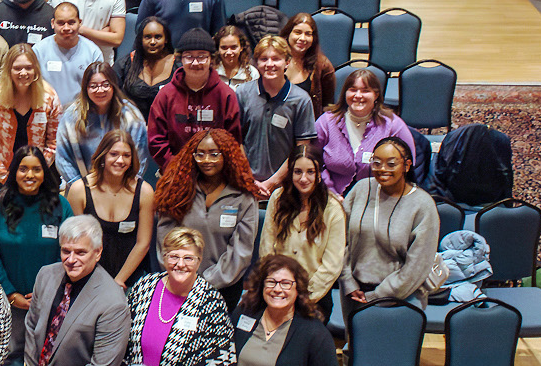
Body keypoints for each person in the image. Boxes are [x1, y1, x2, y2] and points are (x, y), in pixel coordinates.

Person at [20, 215, 131, 366]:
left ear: (97, 253)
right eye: (66, 251)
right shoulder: (45, 275)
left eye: (81, 252)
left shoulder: (113, 302)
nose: (71, 260)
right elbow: (31, 328)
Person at [123, 226, 235, 366]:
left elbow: (216, 362)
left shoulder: (211, 302)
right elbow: (123, 339)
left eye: (188, 258)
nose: (180, 264)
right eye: (174, 256)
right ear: (164, 258)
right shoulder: (144, 287)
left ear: (199, 261)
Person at [231, 256, 342, 366]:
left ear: (298, 289)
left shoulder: (314, 333)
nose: (277, 289)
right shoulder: (243, 315)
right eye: (271, 282)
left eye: (286, 283)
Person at [154, 129, 264, 295]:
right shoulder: (177, 190)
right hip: (178, 282)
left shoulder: (244, 197)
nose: (206, 160)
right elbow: (165, 241)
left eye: (214, 154)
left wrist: (205, 284)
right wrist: (182, 275)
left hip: (224, 288)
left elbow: (240, 252)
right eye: (200, 154)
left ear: (227, 156)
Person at [340, 138, 440, 310]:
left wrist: (377, 296)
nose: (383, 169)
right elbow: (339, 241)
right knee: (357, 338)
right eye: (377, 163)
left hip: (402, 299)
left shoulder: (423, 205)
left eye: (391, 164)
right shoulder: (361, 189)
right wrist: (348, 281)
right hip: (354, 294)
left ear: (407, 166)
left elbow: (417, 265)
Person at [0, 146, 66, 337]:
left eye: (37, 169)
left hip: (52, 299)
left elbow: (69, 252)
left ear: (45, 172)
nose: (30, 175)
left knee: (45, 358)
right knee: (11, 357)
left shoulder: (60, 205)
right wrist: (10, 294)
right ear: (14, 172)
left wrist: (51, 291)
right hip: (8, 300)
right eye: (23, 169)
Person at [64, 128, 155, 288]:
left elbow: (143, 243)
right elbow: (75, 242)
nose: (120, 160)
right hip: (88, 277)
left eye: (126, 155)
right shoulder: (79, 190)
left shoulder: (145, 191)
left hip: (129, 278)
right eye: (114, 154)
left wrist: (118, 281)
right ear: (103, 156)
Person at [146, 28, 245, 167]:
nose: (195, 63)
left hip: (217, 173)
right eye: (189, 56)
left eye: (202, 56)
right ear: (180, 59)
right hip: (174, 171)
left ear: (211, 59)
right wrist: (176, 169)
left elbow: (233, 139)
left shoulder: (226, 94)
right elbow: (156, 141)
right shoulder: (166, 95)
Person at [261, 142, 347, 302]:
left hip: (314, 297)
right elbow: (266, 249)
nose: (303, 179)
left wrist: (302, 297)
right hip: (276, 292)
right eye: (297, 172)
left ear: (319, 175)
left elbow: (332, 266)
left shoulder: (333, 209)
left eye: (310, 172)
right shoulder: (277, 199)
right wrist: (275, 287)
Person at [237, 34, 319, 198]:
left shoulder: (301, 100)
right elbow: (235, 140)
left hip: (285, 187)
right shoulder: (242, 93)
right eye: (263, 59)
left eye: (276, 59)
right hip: (245, 183)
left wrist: (272, 182)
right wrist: (248, 178)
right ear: (256, 63)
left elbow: (301, 149)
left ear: (287, 62)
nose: (270, 64)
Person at [0, 42, 60, 203]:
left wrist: (37, 172)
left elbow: (53, 142)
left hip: (37, 177)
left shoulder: (49, 97)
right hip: (0, 176)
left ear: (35, 69)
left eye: (28, 67)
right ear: (9, 70)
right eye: (17, 68)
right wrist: (5, 177)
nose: (23, 73)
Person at [317, 68, 417, 195]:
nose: (358, 95)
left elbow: (407, 165)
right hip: (330, 196)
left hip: (381, 197)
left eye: (365, 91)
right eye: (353, 90)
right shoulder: (326, 121)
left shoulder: (392, 125)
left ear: (376, 95)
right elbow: (313, 161)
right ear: (345, 93)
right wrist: (330, 192)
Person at [53, 60, 148, 186]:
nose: (100, 90)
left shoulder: (131, 116)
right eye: (93, 86)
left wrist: (127, 186)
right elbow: (63, 157)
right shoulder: (72, 116)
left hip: (123, 189)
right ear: (86, 88)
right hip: (82, 188)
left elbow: (139, 157)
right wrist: (81, 189)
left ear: (113, 85)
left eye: (105, 85)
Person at [33, 0, 100, 113]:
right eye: (61, 23)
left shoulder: (93, 52)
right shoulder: (38, 51)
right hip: (44, 112)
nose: (66, 28)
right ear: (53, 23)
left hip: (80, 114)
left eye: (71, 22)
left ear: (79, 22)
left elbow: (97, 90)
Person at [116, 15, 177, 114]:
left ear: (166, 39)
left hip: (167, 126)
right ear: (141, 39)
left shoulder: (178, 66)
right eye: (147, 37)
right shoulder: (125, 64)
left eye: (158, 37)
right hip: (133, 124)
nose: (152, 42)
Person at [284, 11, 337, 112]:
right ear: (288, 34)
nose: (302, 38)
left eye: (308, 34)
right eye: (298, 32)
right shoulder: (273, 59)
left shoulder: (323, 65)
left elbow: (328, 106)